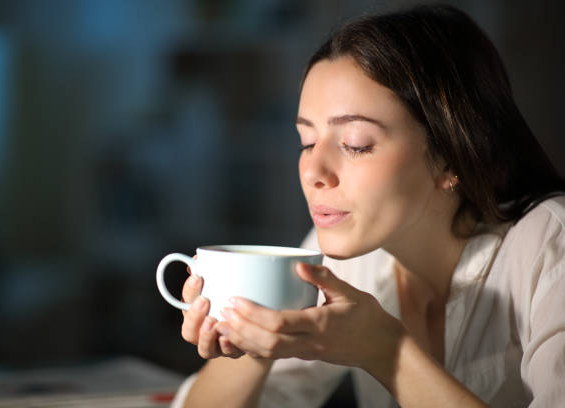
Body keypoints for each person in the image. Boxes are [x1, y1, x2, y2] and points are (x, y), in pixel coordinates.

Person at [170, 4, 565, 407]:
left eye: (355, 144)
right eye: (307, 142)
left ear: (451, 157)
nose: (312, 171)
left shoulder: (550, 246)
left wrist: (387, 352)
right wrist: (252, 331)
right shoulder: (345, 252)